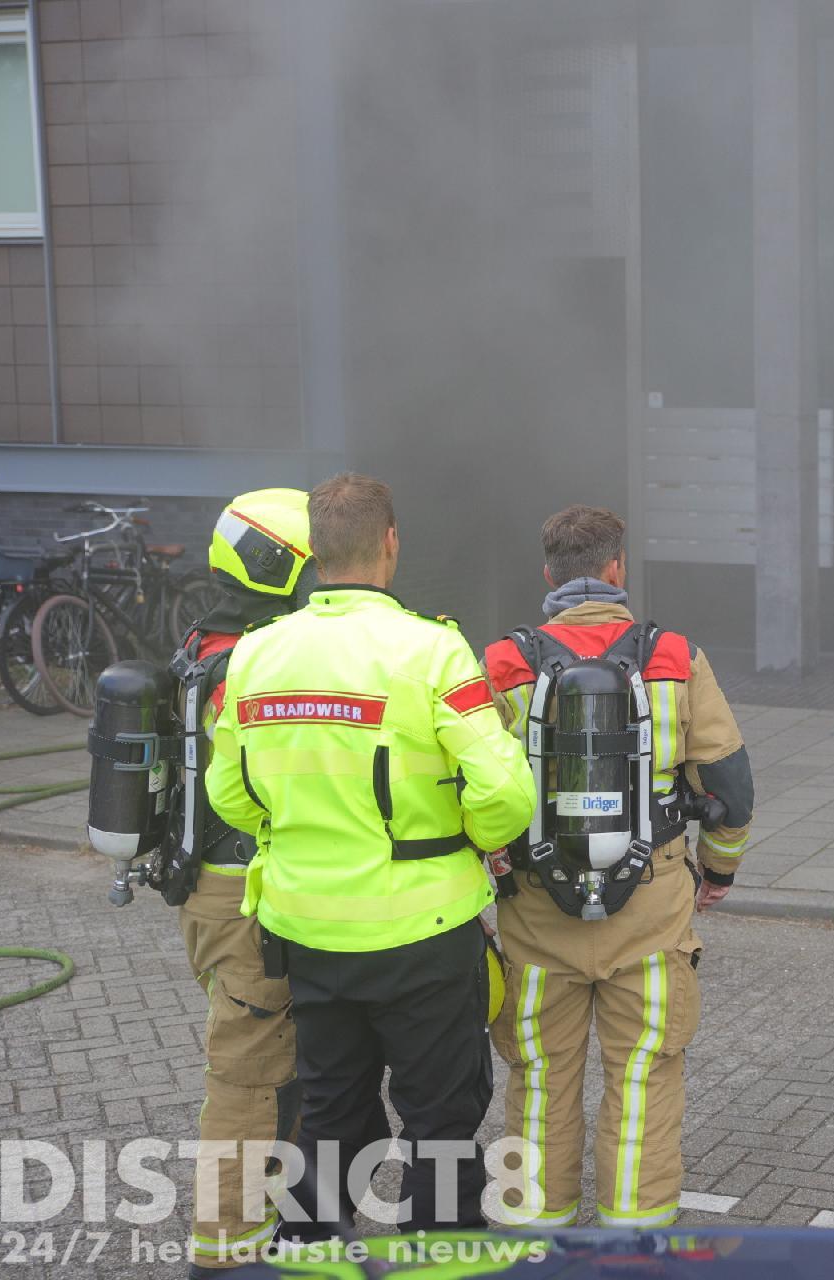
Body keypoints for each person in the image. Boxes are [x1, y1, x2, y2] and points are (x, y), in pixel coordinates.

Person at [206, 473, 536, 1241]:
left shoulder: (254, 655)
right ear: (391, 543)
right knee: (441, 1121)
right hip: (423, 930)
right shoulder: (432, 648)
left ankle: (306, 1251)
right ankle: (437, 1257)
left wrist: (304, 832)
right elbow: (505, 795)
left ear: (315, 553)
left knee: (331, 1111)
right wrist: (471, 837)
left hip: (308, 930)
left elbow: (231, 795)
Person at [481, 504, 753, 1229]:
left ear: (548, 575)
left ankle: (537, 1237)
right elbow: (730, 785)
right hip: (652, 903)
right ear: (616, 570)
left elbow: (475, 789)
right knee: (642, 1074)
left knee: (539, 1076)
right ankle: (635, 1239)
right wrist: (718, 871)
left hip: (537, 909)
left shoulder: (503, 662)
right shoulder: (674, 656)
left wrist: (493, 864)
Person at [169, 489, 315, 1277]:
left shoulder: (203, 639)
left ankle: (280, 1232)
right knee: (251, 1076)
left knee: (281, 1070)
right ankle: (223, 1253)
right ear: (279, 567)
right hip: (245, 898)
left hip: (210, 892)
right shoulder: (251, 665)